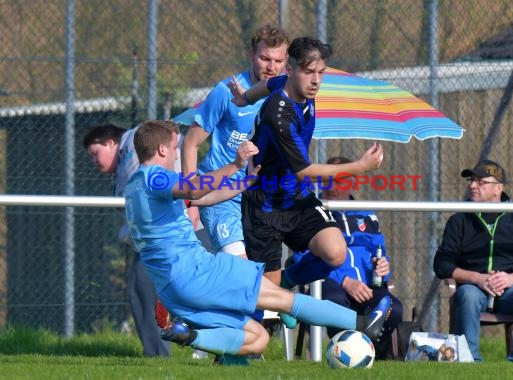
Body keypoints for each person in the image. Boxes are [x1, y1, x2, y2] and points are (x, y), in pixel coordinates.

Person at [124, 120, 391, 365]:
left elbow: (201, 197)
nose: (177, 155)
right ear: (161, 149)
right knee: (284, 299)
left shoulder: (135, 186)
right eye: (174, 148)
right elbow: (194, 188)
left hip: (172, 288)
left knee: (256, 337)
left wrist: (246, 182)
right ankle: (362, 322)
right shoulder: (155, 177)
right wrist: (235, 165)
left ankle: (186, 335)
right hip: (196, 271)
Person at [233, 37, 386, 329]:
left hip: (297, 199)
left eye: (321, 72)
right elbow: (303, 170)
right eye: (308, 72)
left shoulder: (291, 86)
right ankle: (236, 350)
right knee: (265, 294)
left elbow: (267, 84)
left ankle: (288, 281)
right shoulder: (280, 115)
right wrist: (360, 166)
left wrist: (245, 98)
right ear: (291, 69)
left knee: (335, 251)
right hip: (264, 207)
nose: (316, 80)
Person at [176, 24, 289, 260]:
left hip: (261, 195)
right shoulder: (226, 91)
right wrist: (190, 196)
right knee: (239, 268)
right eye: (265, 58)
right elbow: (190, 143)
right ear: (251, 55)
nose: (272, 67)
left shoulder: (287, 95)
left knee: (267, 278)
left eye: (278, 61)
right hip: (221, 195)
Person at [295, 155, 404, 360]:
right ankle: (344, 355)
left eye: (340, 180)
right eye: (329, 179)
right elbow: (302, 257)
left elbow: (379, 253)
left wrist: (382, 267)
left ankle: (375, 355)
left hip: (366, 287)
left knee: (394, 308)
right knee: (334, 299)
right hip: (329, 283)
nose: (333, 186)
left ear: (352, 181)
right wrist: (344, 281)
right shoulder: (311, 211)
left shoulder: (367, 215)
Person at [433, 159, 513, 362]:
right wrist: (476, 278)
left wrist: (511, 278)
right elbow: (441, 264)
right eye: (471, 181)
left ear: (498, 188)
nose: (472, 186)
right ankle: (471, 361)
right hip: (475, 290)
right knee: (467, 294)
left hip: (510, 292)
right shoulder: (459, 220)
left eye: (480, 182)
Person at [83, 124, 173, 357]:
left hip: (157, 238)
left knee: (148, 295)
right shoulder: (126, 157)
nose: (94, 161)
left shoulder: (133, 143)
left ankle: (160, 354)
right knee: (139, 293)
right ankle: (154, 354)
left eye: (96, 153)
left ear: (111, 143)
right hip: (146, 240)